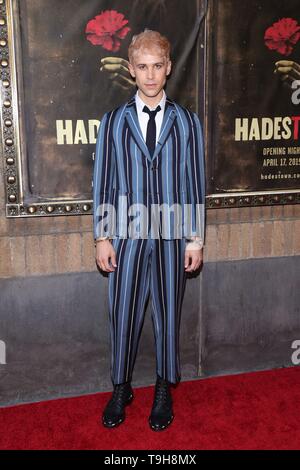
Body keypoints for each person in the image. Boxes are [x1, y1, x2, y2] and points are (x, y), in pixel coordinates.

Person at [93, 30, 205, 431]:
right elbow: (104, 180)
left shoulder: (187, 122)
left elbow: (194, 182)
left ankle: (162, 387)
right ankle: (120, 387)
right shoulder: (113, 122)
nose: (151, 74)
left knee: (167, 314)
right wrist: (102, 236)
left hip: (173, 234)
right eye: (142, 67)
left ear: (169, 67)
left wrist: (195, 238)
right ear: (130, 70)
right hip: (126, 233)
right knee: (122, 314)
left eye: (158, 66)